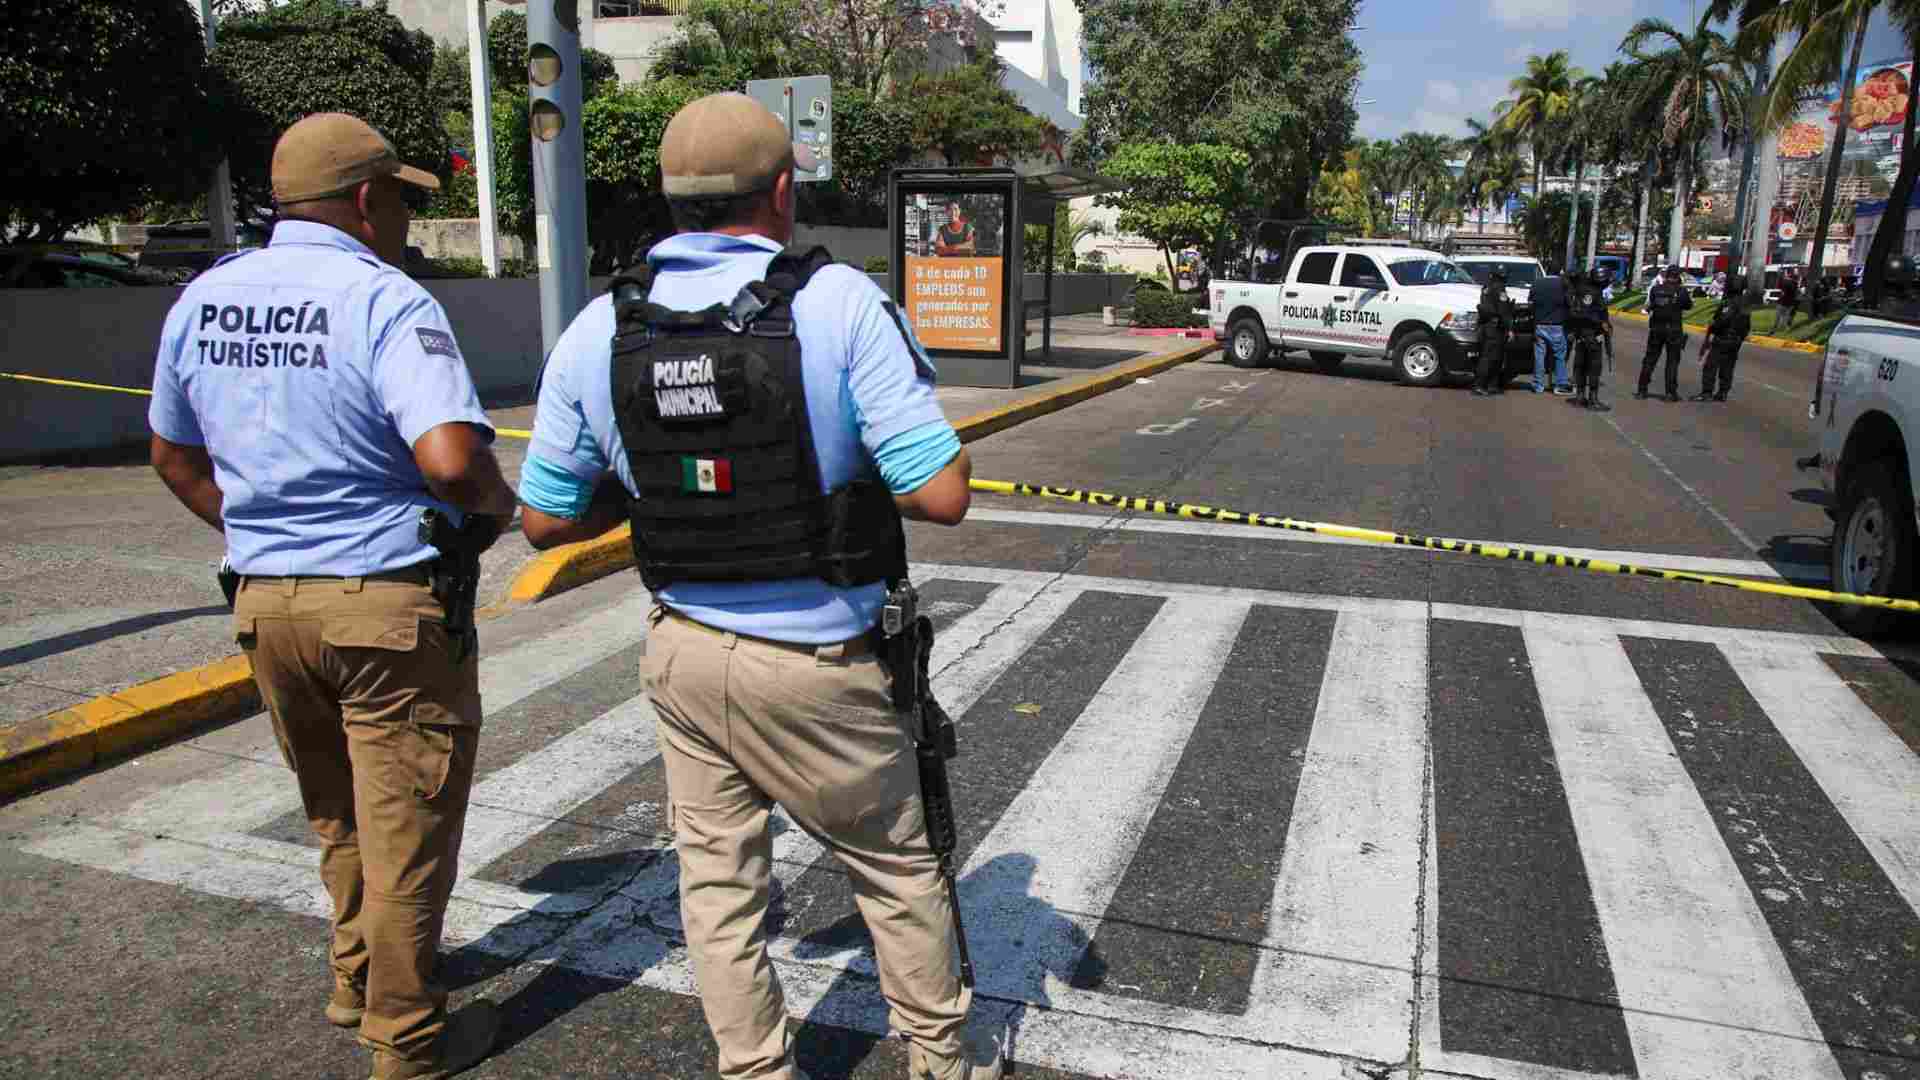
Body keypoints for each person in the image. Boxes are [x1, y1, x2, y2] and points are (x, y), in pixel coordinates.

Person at [515, 92, 1001, 1080]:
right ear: (782, 190)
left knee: (718, 884)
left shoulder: (600, 329)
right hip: (824, 663)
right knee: (897, 869)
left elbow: (544, 521)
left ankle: (755, 1070)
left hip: (685, 656)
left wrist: (668, 488)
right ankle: (942, 1065)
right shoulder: (837, 306)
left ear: (670, 199)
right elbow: (940, 493)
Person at [146, 113, 516, 1080]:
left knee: (340, 815)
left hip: (266, 604)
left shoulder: (205, 297)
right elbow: (446, 456)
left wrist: (262, 534)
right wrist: (496, 505)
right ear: (364, 201)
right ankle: (407, 1038)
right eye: (398, 199)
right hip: (384, 604)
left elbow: (172, 457)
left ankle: (357, 978)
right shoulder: (382, 299)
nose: (402, 220)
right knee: (407, 827)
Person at [1634, 263, 1690, 402]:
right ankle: (1670, 393)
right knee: (1672, 362)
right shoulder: (1681, 291)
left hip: (1656, 329)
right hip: (1673, 330)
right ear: (1678, 276)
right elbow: (1688, 305)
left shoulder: (1656, 289)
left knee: (1650, 359)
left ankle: (1642, 389)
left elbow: (1652, 304)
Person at [1694, 275, 1753, 401]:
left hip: (1723, 338)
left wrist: (1713, 327)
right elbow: (1747, 325)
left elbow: (1723, 320)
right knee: (1728, 367)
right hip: (1736, 340)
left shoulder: (1729, 302)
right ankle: (1723, 392)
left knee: (1711, 365)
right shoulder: (1745, 304)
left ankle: (1707, 393)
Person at [1565, 268, 1614, 411]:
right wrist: (1601, 323)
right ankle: (1592, 400)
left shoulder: (1583, 289)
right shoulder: (1592, 293)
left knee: (1582, 366)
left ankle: (1580, 397)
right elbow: (1583, 313)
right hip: (1591, 335)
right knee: (1593, 367)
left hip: (1582, 334)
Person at [1530, 259, 1571, 394]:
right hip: (1557, 325)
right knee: (1559, 356)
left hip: (1540, 325)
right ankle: (1560, 384)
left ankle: (1538, 385)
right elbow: (1569, 304)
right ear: (1560, 270)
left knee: (1539, 356)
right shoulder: (1563, 284)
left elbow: (1531, 302)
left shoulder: (1537, 282)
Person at [1472, 264, 1514, 396]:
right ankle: (1480, 385)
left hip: (1485, 326)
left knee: (1490, 356)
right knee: (1490, 358)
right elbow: (1502, 311)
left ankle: (1491, 385)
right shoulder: (1500, 289)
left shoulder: (1486, 287)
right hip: (1495, 327)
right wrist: (1510, 328)